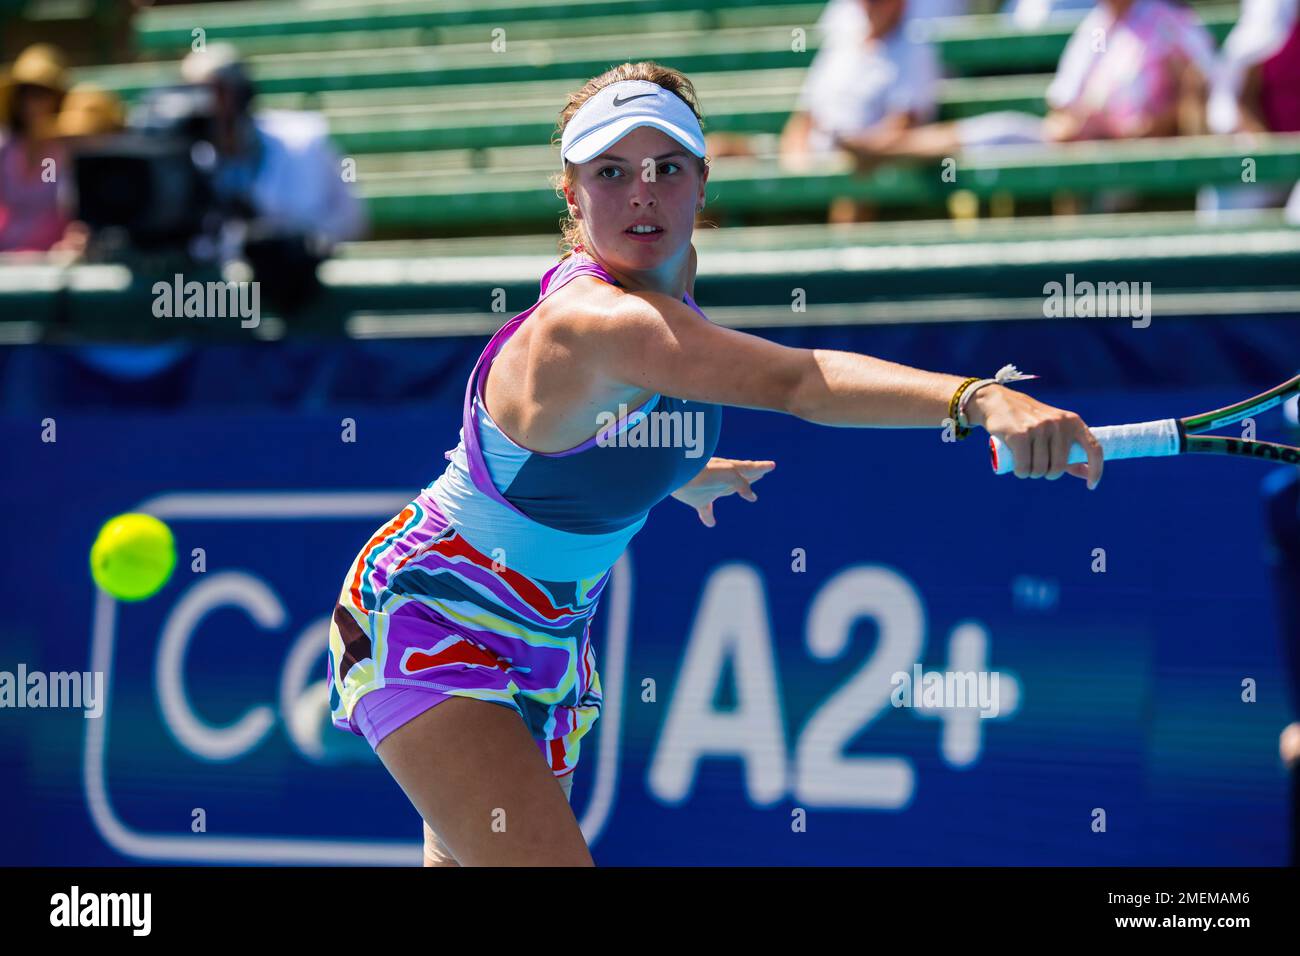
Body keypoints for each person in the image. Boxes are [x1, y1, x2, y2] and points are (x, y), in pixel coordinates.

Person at [325, 61, 1105, 867]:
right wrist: (979, 398)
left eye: (666, 169)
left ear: (703, 183)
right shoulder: (595, 319)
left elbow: (566, 440)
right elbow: (797, 382)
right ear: (572, 195)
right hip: (434, 615)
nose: (642, 193)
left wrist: (672, 468)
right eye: (611, 173)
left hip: (547, 635)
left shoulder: (668, 289)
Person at [833, 0, 1216, 164]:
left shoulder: (1172, 22)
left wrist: (1142, 129)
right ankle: (884, 149)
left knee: (999, 135)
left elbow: (1201, 101)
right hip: (1075, 145)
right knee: (998, 132)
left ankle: (883, 149)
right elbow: (1064, 103)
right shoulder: (1097, 25)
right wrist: (1083, 123)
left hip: (1134, 153)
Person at [0, 43, 70, 252]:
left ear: (58, 99)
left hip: (55, 255)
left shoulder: (66, 150)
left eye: (42, 93)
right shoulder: (5, 148)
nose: (32, 101)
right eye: (25, 92)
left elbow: (67, 210)